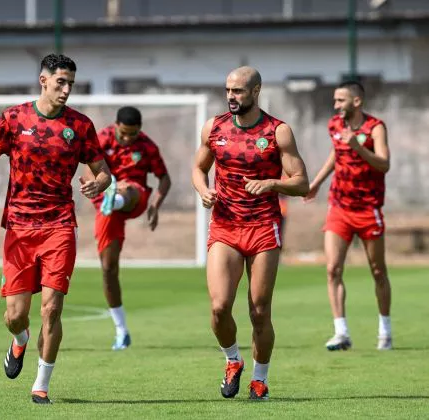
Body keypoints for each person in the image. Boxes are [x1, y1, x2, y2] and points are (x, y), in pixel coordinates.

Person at [0, 54, 112, 405]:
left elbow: (103, 170)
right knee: (15, 315)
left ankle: (41, 384)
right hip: (19, 226)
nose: (66, 90)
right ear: (43, 80)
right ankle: (19, 341)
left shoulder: (80, 126)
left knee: (51, 308)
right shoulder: (14, 117)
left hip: (59, 225)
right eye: (60, 82)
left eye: (71, 84)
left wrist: (99, 183)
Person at [192, 66, 309, 400]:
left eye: (239, 91)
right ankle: (233, 360)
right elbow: (199, 168)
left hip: (262, 228)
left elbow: (302, 182)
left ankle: (260, 379)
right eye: (228, 90)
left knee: (259, 310)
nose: (232, 96)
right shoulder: (214, 127)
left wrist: (272, 183)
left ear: (256, 91)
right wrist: (202, 190)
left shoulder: (278, 131)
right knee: (218, 307)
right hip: (226, 226)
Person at [304, 81, 392, 351]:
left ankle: (385, 330)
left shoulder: (375, 127)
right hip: (339, 208)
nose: (336, 106)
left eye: (341, 100)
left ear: (356, 102)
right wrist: (317, 182)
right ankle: (341, 332)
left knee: (377, 271)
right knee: (332, 269)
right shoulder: (335, 125)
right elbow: (336, 154)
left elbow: (384, 164)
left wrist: (358, 147)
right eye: (335, 100)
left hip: (368, 210)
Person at [86, 106, 171, 350]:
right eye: (124, 134)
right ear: (116, 126)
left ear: (139, 130)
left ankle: (118, 195)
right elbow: (88, 163)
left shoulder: (147, 146)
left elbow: (164, 178)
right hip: (105, 205)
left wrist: (155, 206)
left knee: (128, 188)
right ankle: (121, 331)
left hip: (137, 197)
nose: (127, 139)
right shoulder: (101, 138)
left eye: (132, 134)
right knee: (108, 268)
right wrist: (95, 185)